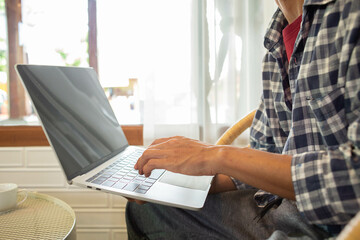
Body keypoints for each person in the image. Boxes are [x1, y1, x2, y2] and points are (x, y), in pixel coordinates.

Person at [126, 0, 360, 239]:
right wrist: (174, 179)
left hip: (336, 226)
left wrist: (214, 155)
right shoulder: (276, 38)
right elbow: (265, 153)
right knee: (145, 210)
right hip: (278, 208)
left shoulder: (349, 15)